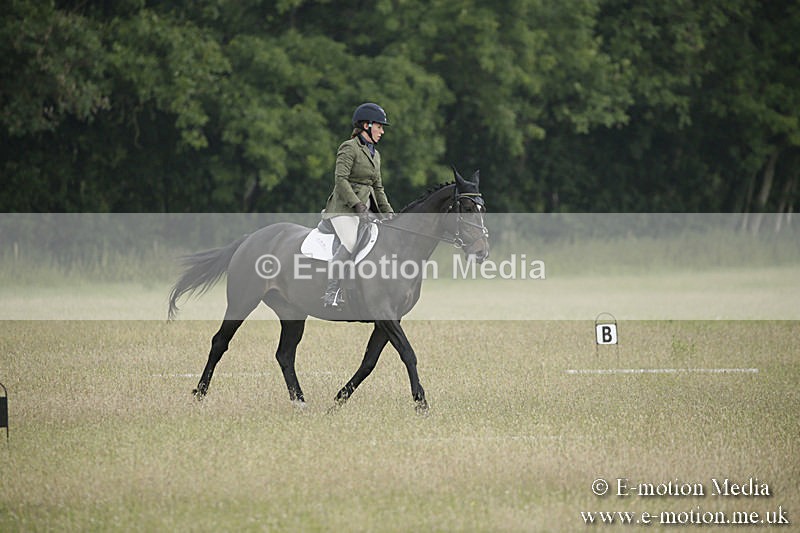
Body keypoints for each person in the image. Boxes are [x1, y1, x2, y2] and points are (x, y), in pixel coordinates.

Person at [321, 102, 395, 308]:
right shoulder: (349, 147)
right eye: (379, 126)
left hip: (367, 209)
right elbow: (341, 180)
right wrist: (357, 205)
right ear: (366, 125)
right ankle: (332, 291)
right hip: (343, 209)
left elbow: (378, 188)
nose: (382, 131)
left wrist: (389, 213)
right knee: (351, 242)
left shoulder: (375, 154)